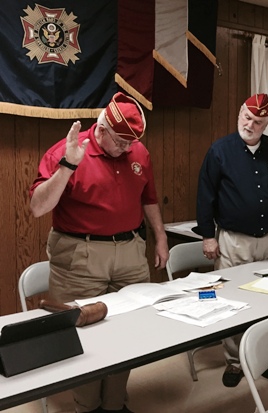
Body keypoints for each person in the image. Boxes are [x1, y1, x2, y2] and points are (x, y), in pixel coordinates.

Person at [29, 92, 169, 413]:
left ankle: (115, 403)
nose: (126, 149)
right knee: (85, 335)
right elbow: (38, 207)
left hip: (131, 252)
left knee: (128, 330)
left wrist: (160, 238)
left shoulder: (137, 150)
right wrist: (68, 165)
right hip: (80, 256)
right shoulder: (68, 151)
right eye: (120, 142)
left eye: (131, 143)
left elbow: (149, 198)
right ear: (101, 129)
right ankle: (87, 406)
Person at [196, 93, 268, 387]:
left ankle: (263, 357)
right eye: (247, 117)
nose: (250, 125)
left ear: (267, 124)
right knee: (233, 301)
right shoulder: (220, 151)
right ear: (240, 112)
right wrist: (207, 237)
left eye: (257, 122)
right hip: (233, 241)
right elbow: (205, 196)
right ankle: (235, 362)